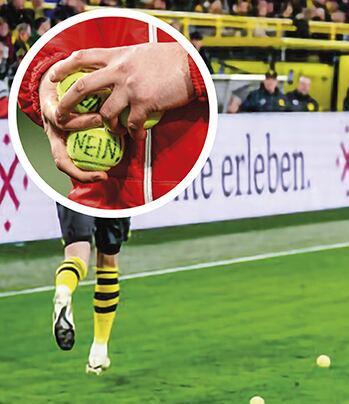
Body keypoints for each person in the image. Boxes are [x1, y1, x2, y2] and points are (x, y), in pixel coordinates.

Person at [19, 24, 210, 209]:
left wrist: (191, 69)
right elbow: (58, 43)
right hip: (96, 198)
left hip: (187, 189)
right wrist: (46, 75)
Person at [52, 206, 128, 375]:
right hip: (111, 188)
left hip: (76, 187)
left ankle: (64, 291)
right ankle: (99, 349)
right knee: (108, 262)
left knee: (76, 255)